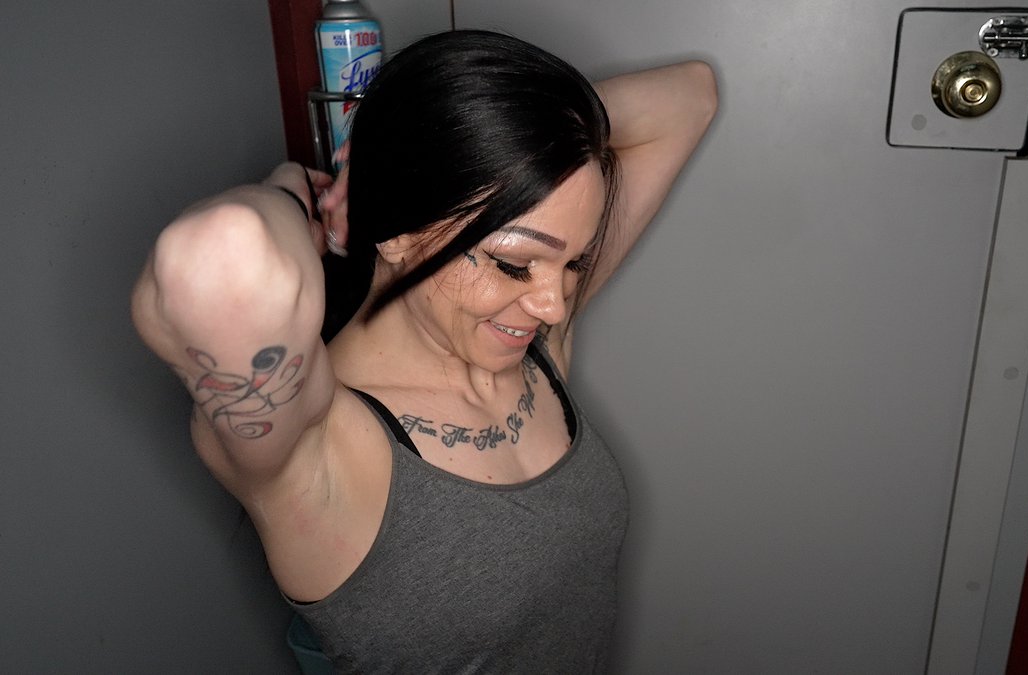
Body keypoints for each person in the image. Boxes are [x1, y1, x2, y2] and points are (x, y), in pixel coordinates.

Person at [132, 29, 716, 672]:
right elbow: (217, 256)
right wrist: (297, 193)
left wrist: (535, 143)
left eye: (573, 263)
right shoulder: (317, 447)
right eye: (514, 263)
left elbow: (691, 96)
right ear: (397, 231)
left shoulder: (532, 345)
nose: (555, 306)